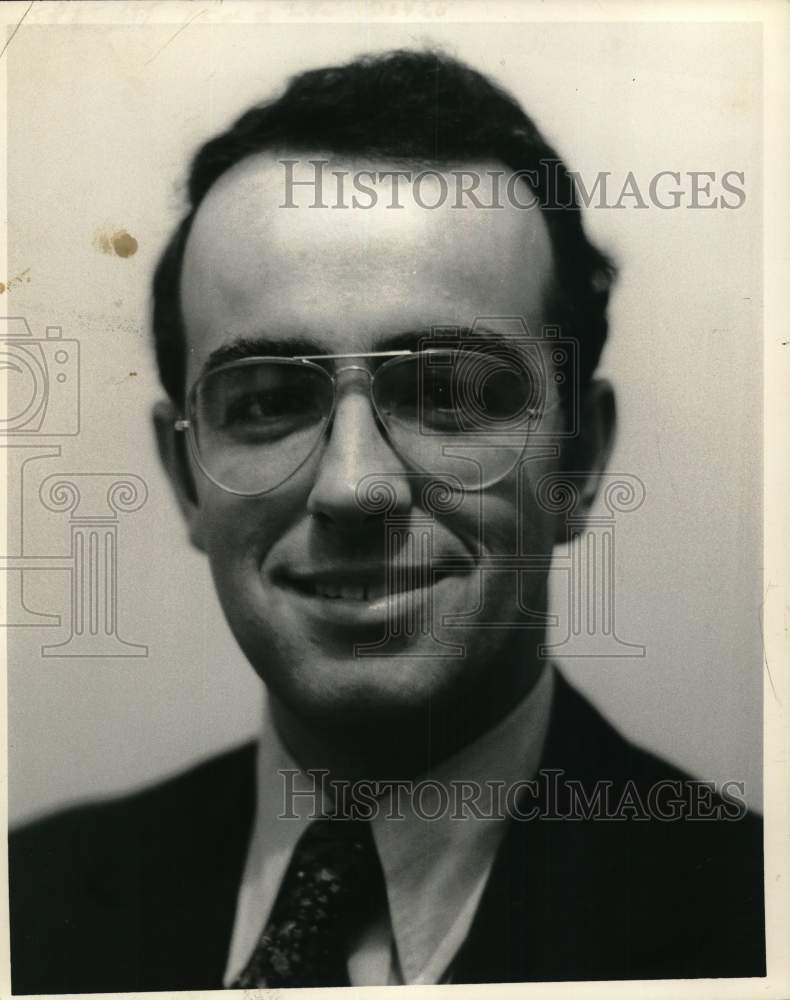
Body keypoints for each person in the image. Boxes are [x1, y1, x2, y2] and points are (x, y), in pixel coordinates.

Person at [9, 49, 764, 992]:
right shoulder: (30, 907)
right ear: (184, 473)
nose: (353, 487)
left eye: (448, 391)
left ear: (578, 460)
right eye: (268, 398)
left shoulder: (752, 922)